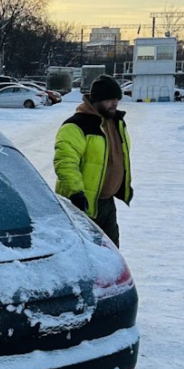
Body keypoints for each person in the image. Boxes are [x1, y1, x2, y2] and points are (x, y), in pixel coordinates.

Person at [54, 74, 133, 247]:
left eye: (117, 99)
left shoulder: (117, 123)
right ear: (96, 100)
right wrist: (76, 193)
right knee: (86, 253)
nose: (115, 103)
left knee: (112, 253)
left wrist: (124, 184)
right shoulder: (76, 126)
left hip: (107, 203)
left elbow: (120, 158)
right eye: (109, 99)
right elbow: (65, 162)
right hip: (82, 204)